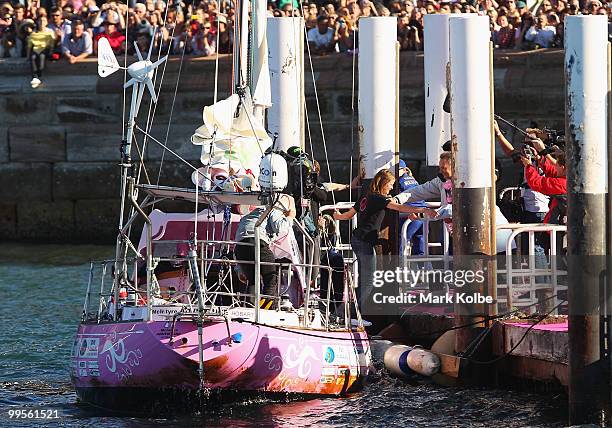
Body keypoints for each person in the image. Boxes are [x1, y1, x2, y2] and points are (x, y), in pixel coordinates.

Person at [333, 169, 436, 306]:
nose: (392, 188)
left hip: (357, 239)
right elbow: (399, 207)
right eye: (391, 184)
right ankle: (355, 312)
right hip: (365, 241)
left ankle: (354, 309)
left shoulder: (366, 196)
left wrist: (338, 216)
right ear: (384, 183)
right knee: (370, 278)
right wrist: (423, 209)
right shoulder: (380, 199)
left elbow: (349, 215)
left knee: (365, 277)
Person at [234, 195, 296, 308]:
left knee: (253, 279)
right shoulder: (273, 209)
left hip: (240, 247)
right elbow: (280, 227)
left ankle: (249, 308)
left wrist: (239, 268)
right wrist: (290, 217)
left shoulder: (249, 216)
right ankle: (266, 309)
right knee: (271, 278)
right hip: (257, 241)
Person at [398, 160, 427, 256]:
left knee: (401, 241)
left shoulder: (399, 182)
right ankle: (427, 269)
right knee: (420, 246)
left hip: (410, 216)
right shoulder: (413, 180)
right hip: (423, 216)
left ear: (404, 170)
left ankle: (399, 266)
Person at [26, 15, 54, 88]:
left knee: (42, 57)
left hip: (45, 49)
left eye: (44, 20)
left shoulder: (50, 32)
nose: (42, 22)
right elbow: (29, 45)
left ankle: (40, 75)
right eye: (40, 21)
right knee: (33, 57)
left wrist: (51, 52)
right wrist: (28, 56)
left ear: (47, 22)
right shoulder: (33, 33)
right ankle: (35, 76)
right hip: (36, 49)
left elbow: (51, 44)